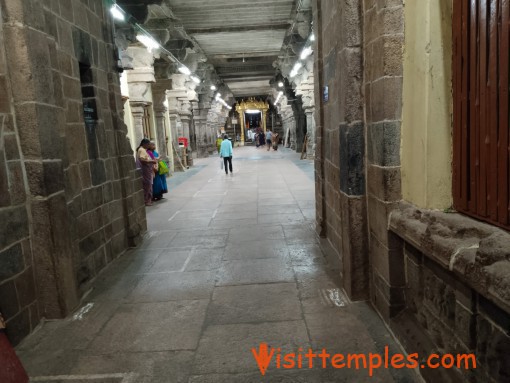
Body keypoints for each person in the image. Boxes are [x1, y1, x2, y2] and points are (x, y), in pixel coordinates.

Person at [136, 138, 157, 206]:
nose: (148, 146)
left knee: (149, 185)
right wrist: (152, 161)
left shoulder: (143, 150)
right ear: (144, 144)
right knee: (147, 185)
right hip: (145, 170)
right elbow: (142, 160)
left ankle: (148, 199)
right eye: (148, 144)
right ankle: (146, 200)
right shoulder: (141, 150)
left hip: (147, 170)